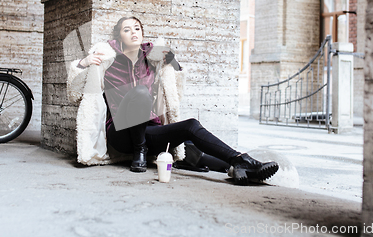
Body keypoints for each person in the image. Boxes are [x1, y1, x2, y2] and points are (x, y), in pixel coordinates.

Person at [67, 16, 278, 185]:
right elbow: (75, 91)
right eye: (127, 29)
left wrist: (173, 61)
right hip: (121, 134)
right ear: (119, 37)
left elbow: (176, 84)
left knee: (191, 128)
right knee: (140, 92)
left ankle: (239, 162)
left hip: (150, 131)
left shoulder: (152, 58)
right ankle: (139, 153)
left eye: (137, 28)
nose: (133, 32)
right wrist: (83, 63)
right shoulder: (108, 61)